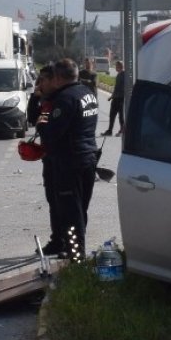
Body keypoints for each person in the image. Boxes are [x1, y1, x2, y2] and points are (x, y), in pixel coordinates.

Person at [39, 58, 99, 261]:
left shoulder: (64, 99)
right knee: (81, 208)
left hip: (69, 162)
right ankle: (75, 251)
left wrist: (42, 120)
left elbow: (51, 133)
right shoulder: (87, 93)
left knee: (71, 212)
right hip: (88, 158)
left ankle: (76, 255)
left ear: (57, 78)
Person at [28, 65, 64, 254]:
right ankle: (57, 239)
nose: (39, 83)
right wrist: (34, 97)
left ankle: (69, 244)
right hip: (49, 157)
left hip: (62, 159)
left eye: (43, 80)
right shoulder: (46, 99)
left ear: (53, 80)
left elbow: (50, 129)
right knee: (52, 200)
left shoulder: (61, 100)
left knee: (63, 202)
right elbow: (32, 118)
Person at [103, 60, 126, 136]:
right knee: (115, 115)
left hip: (119, 98)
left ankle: (119, 131)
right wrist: (111, 96)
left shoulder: (122, 75)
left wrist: (114, 96)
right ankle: (111, 130)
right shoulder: (120, 74)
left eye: (116, 66)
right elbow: (117, 88)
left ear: (120, 66)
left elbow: (120, 88)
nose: (115, 67)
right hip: (117, 98)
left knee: (118, 115)